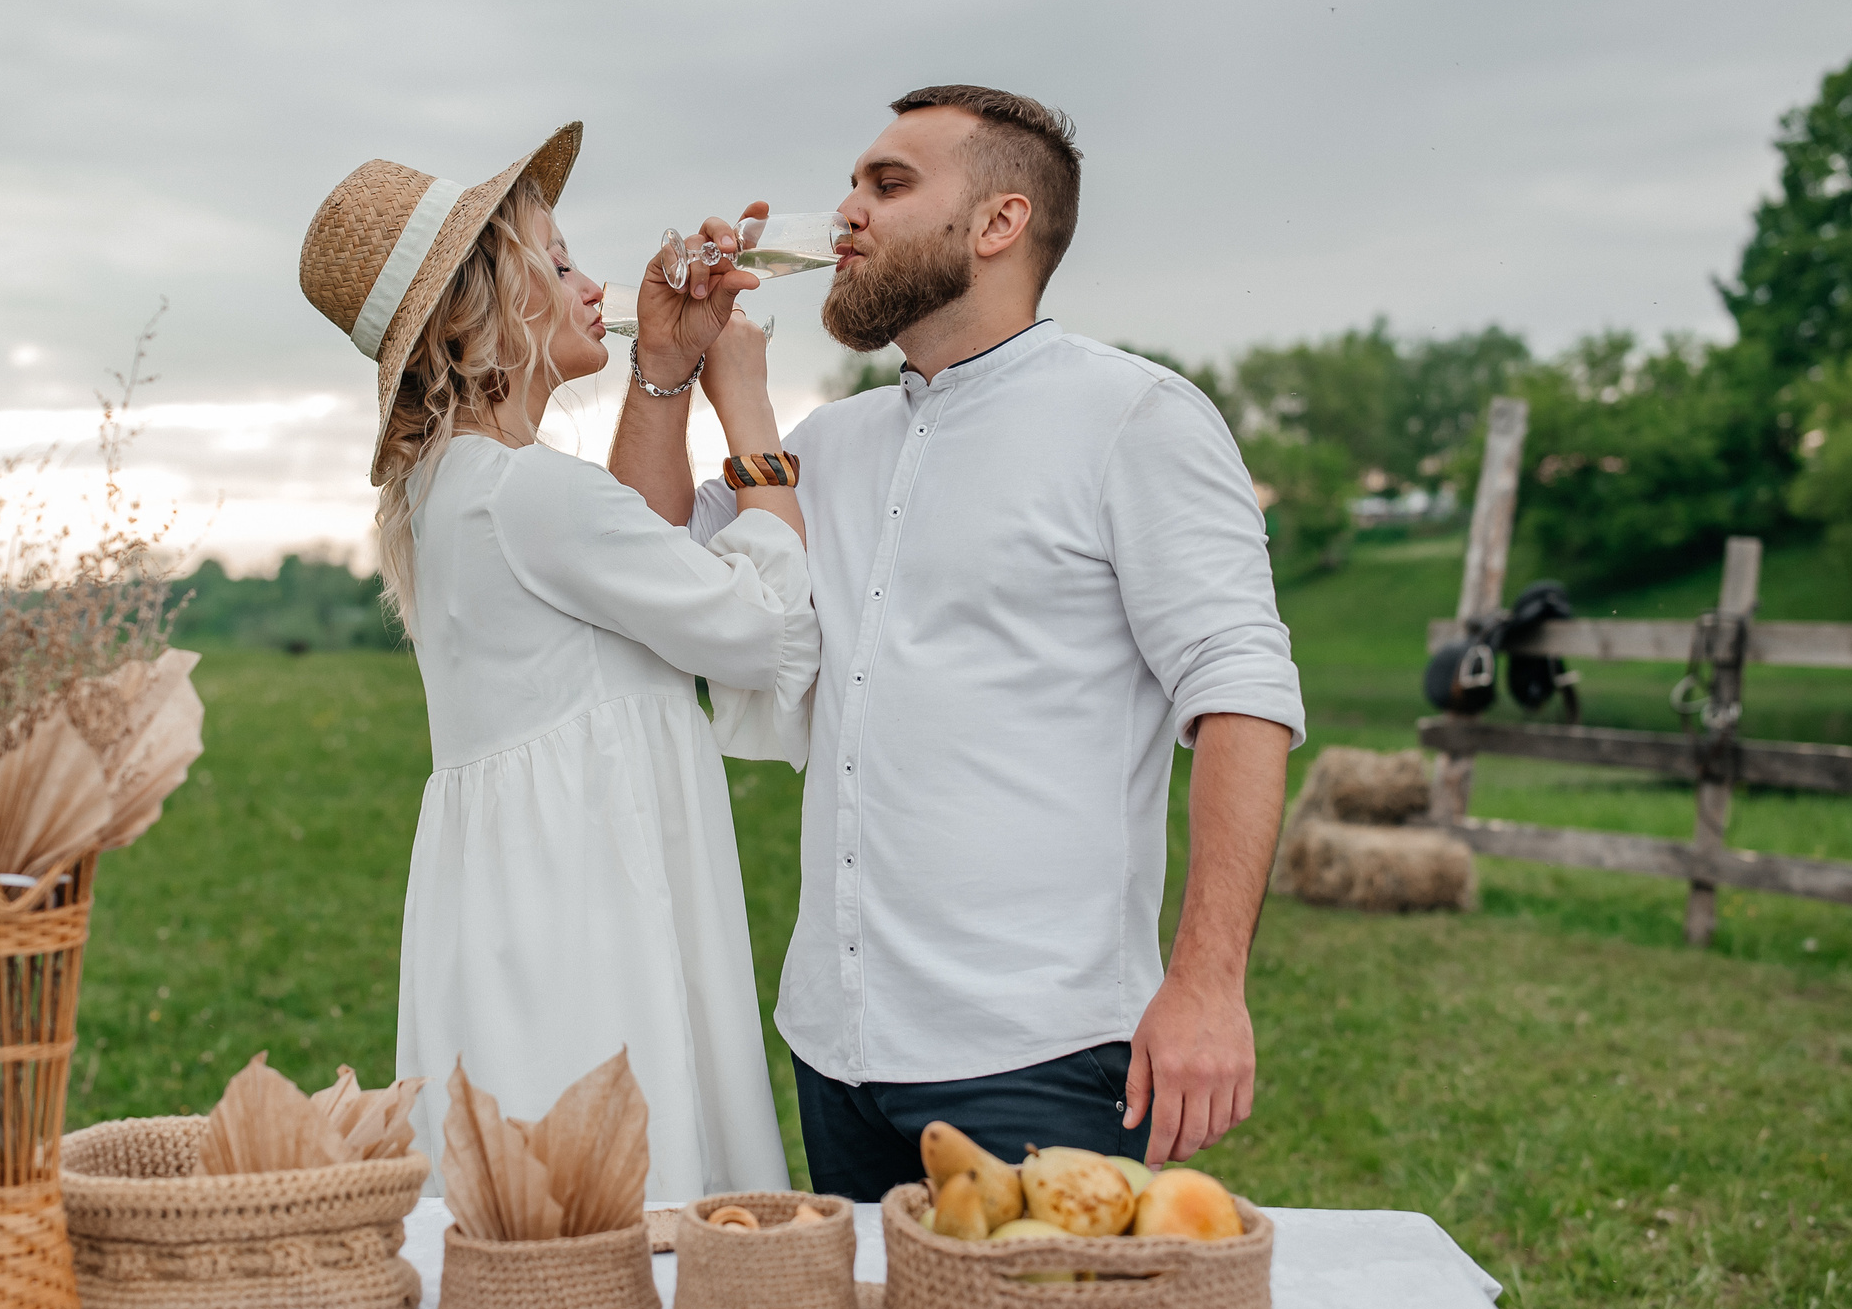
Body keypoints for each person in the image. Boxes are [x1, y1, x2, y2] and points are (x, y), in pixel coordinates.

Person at [612, 86, 1306, 1200]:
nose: (845, 212)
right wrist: (665, 367)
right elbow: (642, 567)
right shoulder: (828, 445)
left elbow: (1240, 690)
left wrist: (1208, 984)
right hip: (833, 1046)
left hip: (1042, 1047)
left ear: (998, 224)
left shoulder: (1137, 418)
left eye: (887, 185)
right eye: (850, 184)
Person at [298, 122, 808, 1198]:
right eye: (561, 262)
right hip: (596, 918)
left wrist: (661, 366)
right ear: (487, 307)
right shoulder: (533, 492)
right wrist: (748, 410)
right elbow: (764, 634)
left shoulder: (461, 489)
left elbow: (635, 548)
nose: (594, 283)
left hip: (524, 911)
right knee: (631, 1192)